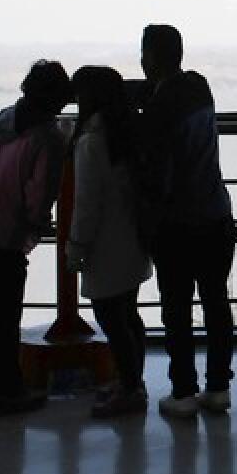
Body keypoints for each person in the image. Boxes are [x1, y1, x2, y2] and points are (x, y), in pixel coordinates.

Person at [0, 59, 72, 416]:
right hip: (4, 240)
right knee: (4, 319)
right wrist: (38, 226)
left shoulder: (4, 119)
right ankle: (8, 390)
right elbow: (39, 197)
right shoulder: (49, 139)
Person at [134, 24, 236, 418]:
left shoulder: (158, 111)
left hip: (177, 224)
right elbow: (157, 90)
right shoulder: (199, 87)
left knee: (176, 308)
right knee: (215, 302)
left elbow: (158, 174)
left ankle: (183, 391)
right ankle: (218, 387)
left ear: (151, 58)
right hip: (216, 214)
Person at [66, 66, 153, 418]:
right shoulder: (128, 134)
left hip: (105, 245)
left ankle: (129, 387)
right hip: (133, 240)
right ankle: (133, 382)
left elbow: (86, 203)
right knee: (128, 314)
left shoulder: (91, 142)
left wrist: (76, 245)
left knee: (109, 315)